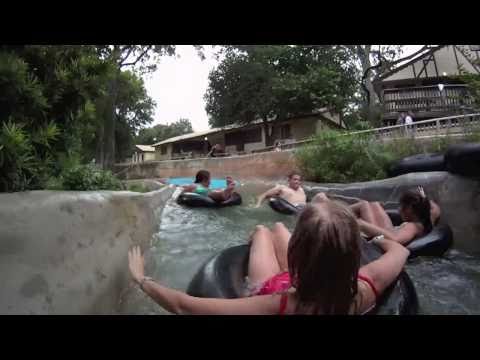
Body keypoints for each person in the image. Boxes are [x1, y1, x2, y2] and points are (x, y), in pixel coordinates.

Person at [127, 199, 410, 315]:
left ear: (297, 251)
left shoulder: (279, 304)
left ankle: (258, 237)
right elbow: (401, 250)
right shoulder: (365, 287)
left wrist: (141, 279)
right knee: (277, 227)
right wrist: (373, 236)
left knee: (265, 229)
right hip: (316, 279)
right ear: (354, 256)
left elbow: (183, 305)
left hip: (278, 283)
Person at [343, 186, 441, 246]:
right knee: (374, 204)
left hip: (384, 237)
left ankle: (336, 214)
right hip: (389, 230)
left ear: (409, 210)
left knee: (363, 205)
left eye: (401, 206)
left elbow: (395, 239)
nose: (399, 209)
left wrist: (362, 224)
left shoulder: (413, 227)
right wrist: (422, 197)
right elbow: (434, 207)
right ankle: (338, 213)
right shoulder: (429, 216)